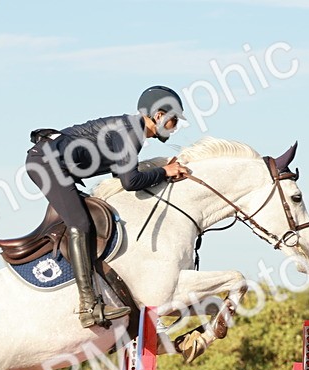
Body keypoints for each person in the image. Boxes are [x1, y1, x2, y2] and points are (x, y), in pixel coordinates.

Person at [25, 85, 191, 328]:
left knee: (93, 218)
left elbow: (122, 176)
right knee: (81, 223)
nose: (175, 127)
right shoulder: (129, 134)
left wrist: (162, 173)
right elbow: (130, 182)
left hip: (55, 164)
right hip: (47, 164)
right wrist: (165, 171)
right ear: (158, 115)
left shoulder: (131, 132)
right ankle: (88, 305)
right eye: (173, 120)